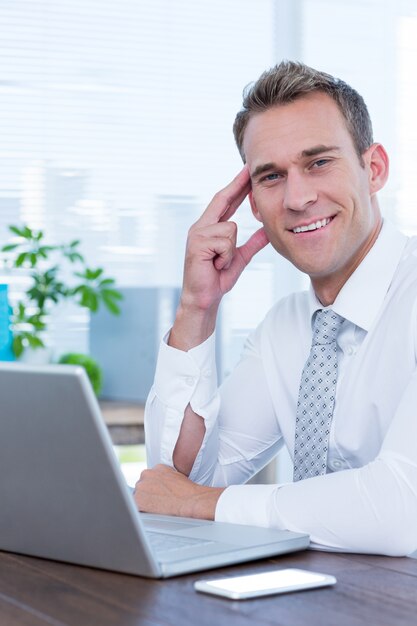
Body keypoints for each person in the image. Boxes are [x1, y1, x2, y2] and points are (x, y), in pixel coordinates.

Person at [134, 60, 417, 556]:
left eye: (318, 162)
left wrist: (209, 504)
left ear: (374, 170)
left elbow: (401, 509)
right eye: (271, 176)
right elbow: (180, 478)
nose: (298, 197)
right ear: (252, 203)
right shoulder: (286, 327)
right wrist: (197, 307)